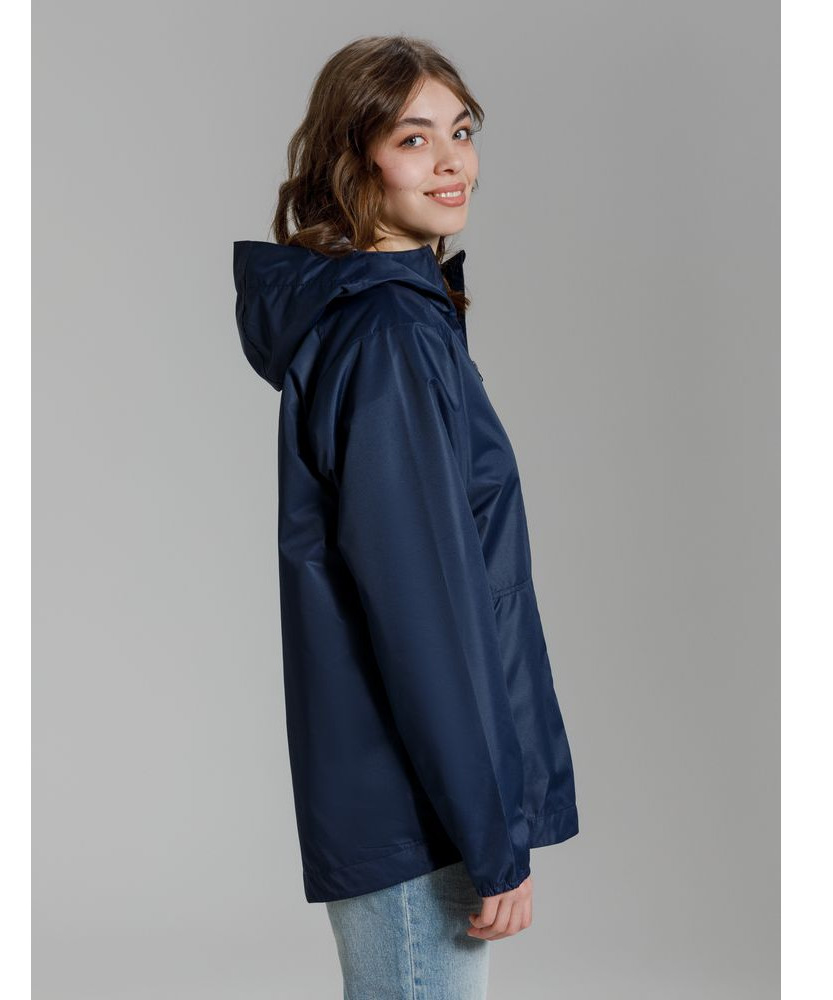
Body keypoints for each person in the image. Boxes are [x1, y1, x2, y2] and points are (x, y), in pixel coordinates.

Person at [233, 35, 580, 999]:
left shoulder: (398, 319)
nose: (451, 160)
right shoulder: (388, 335)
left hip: (415, 790)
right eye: (412, 138)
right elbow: (426, 612)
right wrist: (491, 835)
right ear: (356, 160)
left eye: (460, 131)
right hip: (418, 807)